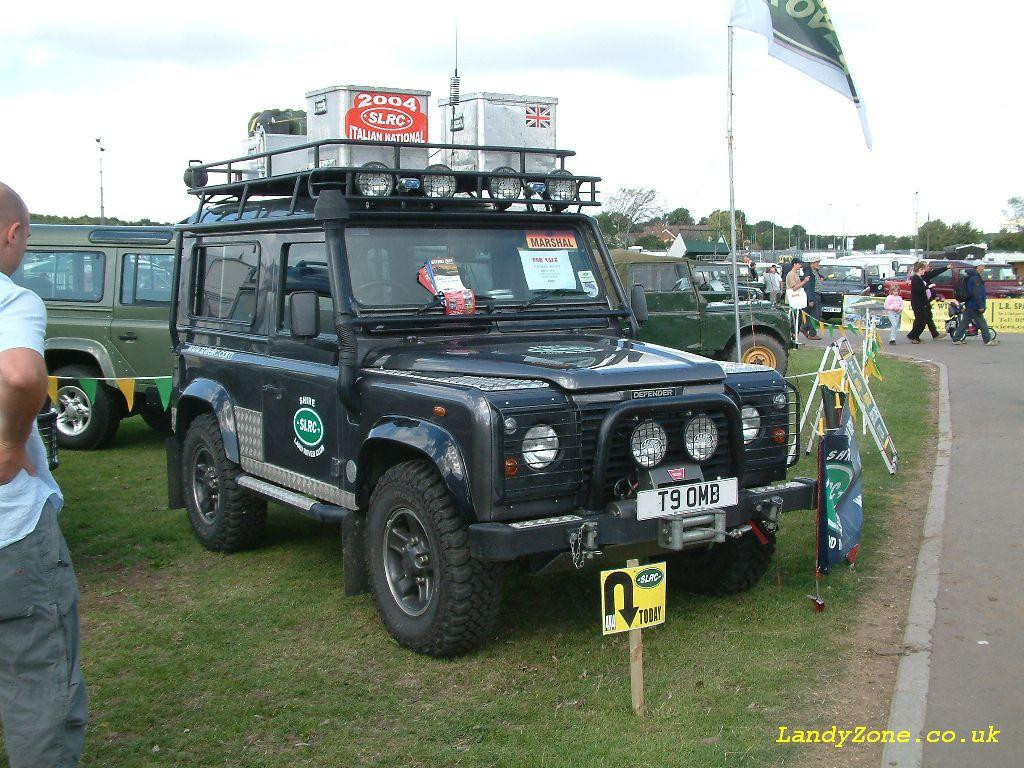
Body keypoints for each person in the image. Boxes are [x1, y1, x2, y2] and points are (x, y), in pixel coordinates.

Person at [0, 182, 87, 767]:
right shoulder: (13, 301)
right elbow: (23, 376)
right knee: (37, 678)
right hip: (10, 530)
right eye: (25, 237)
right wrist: (9, 444)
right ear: (12, 234)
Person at [952, 262, 998, 346]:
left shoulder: (970, 276)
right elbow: (977, 293)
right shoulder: (975, 278)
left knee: (965, 322)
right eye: (982, 266)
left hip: (969, 303)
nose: (984, 267)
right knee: (981, 322)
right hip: (974, 304)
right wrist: (980, 305)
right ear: (978, 267)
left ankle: (956, 338)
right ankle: (987, 340)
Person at [906, 260, 947, 343]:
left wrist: (934, 295)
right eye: (923, 269)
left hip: (923, 302)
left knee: (924, 319)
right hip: (918, 303)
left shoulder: (920, 278)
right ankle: (913, 336)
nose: (924, 271)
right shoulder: (915, 278)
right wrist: (928, 286)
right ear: (920, 269)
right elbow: (918, 290)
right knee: (920, 320)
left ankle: (915, 336)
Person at [786, 256, 818, 340]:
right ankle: (792, 334)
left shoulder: (796, 274)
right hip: (793, 299)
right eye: (799, 264)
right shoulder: (791, 274)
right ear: (795, 264)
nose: (801, 266)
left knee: (799, 317)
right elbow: (794, 288)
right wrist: (804, 281)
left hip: (798, 299)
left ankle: (795, 334)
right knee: (795, 317)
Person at [803, 254, 823, 339]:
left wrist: (822, 277)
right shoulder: (809, 273)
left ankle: (805, 327)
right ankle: (812, 333)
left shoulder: (815, 271)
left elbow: (818, 278)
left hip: (817, 295)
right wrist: (810, 299)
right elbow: (808, 287)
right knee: (815, 315)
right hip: (813, 295)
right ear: (812, 263)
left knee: (815, 315)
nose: (818, 264)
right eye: (817, 262)